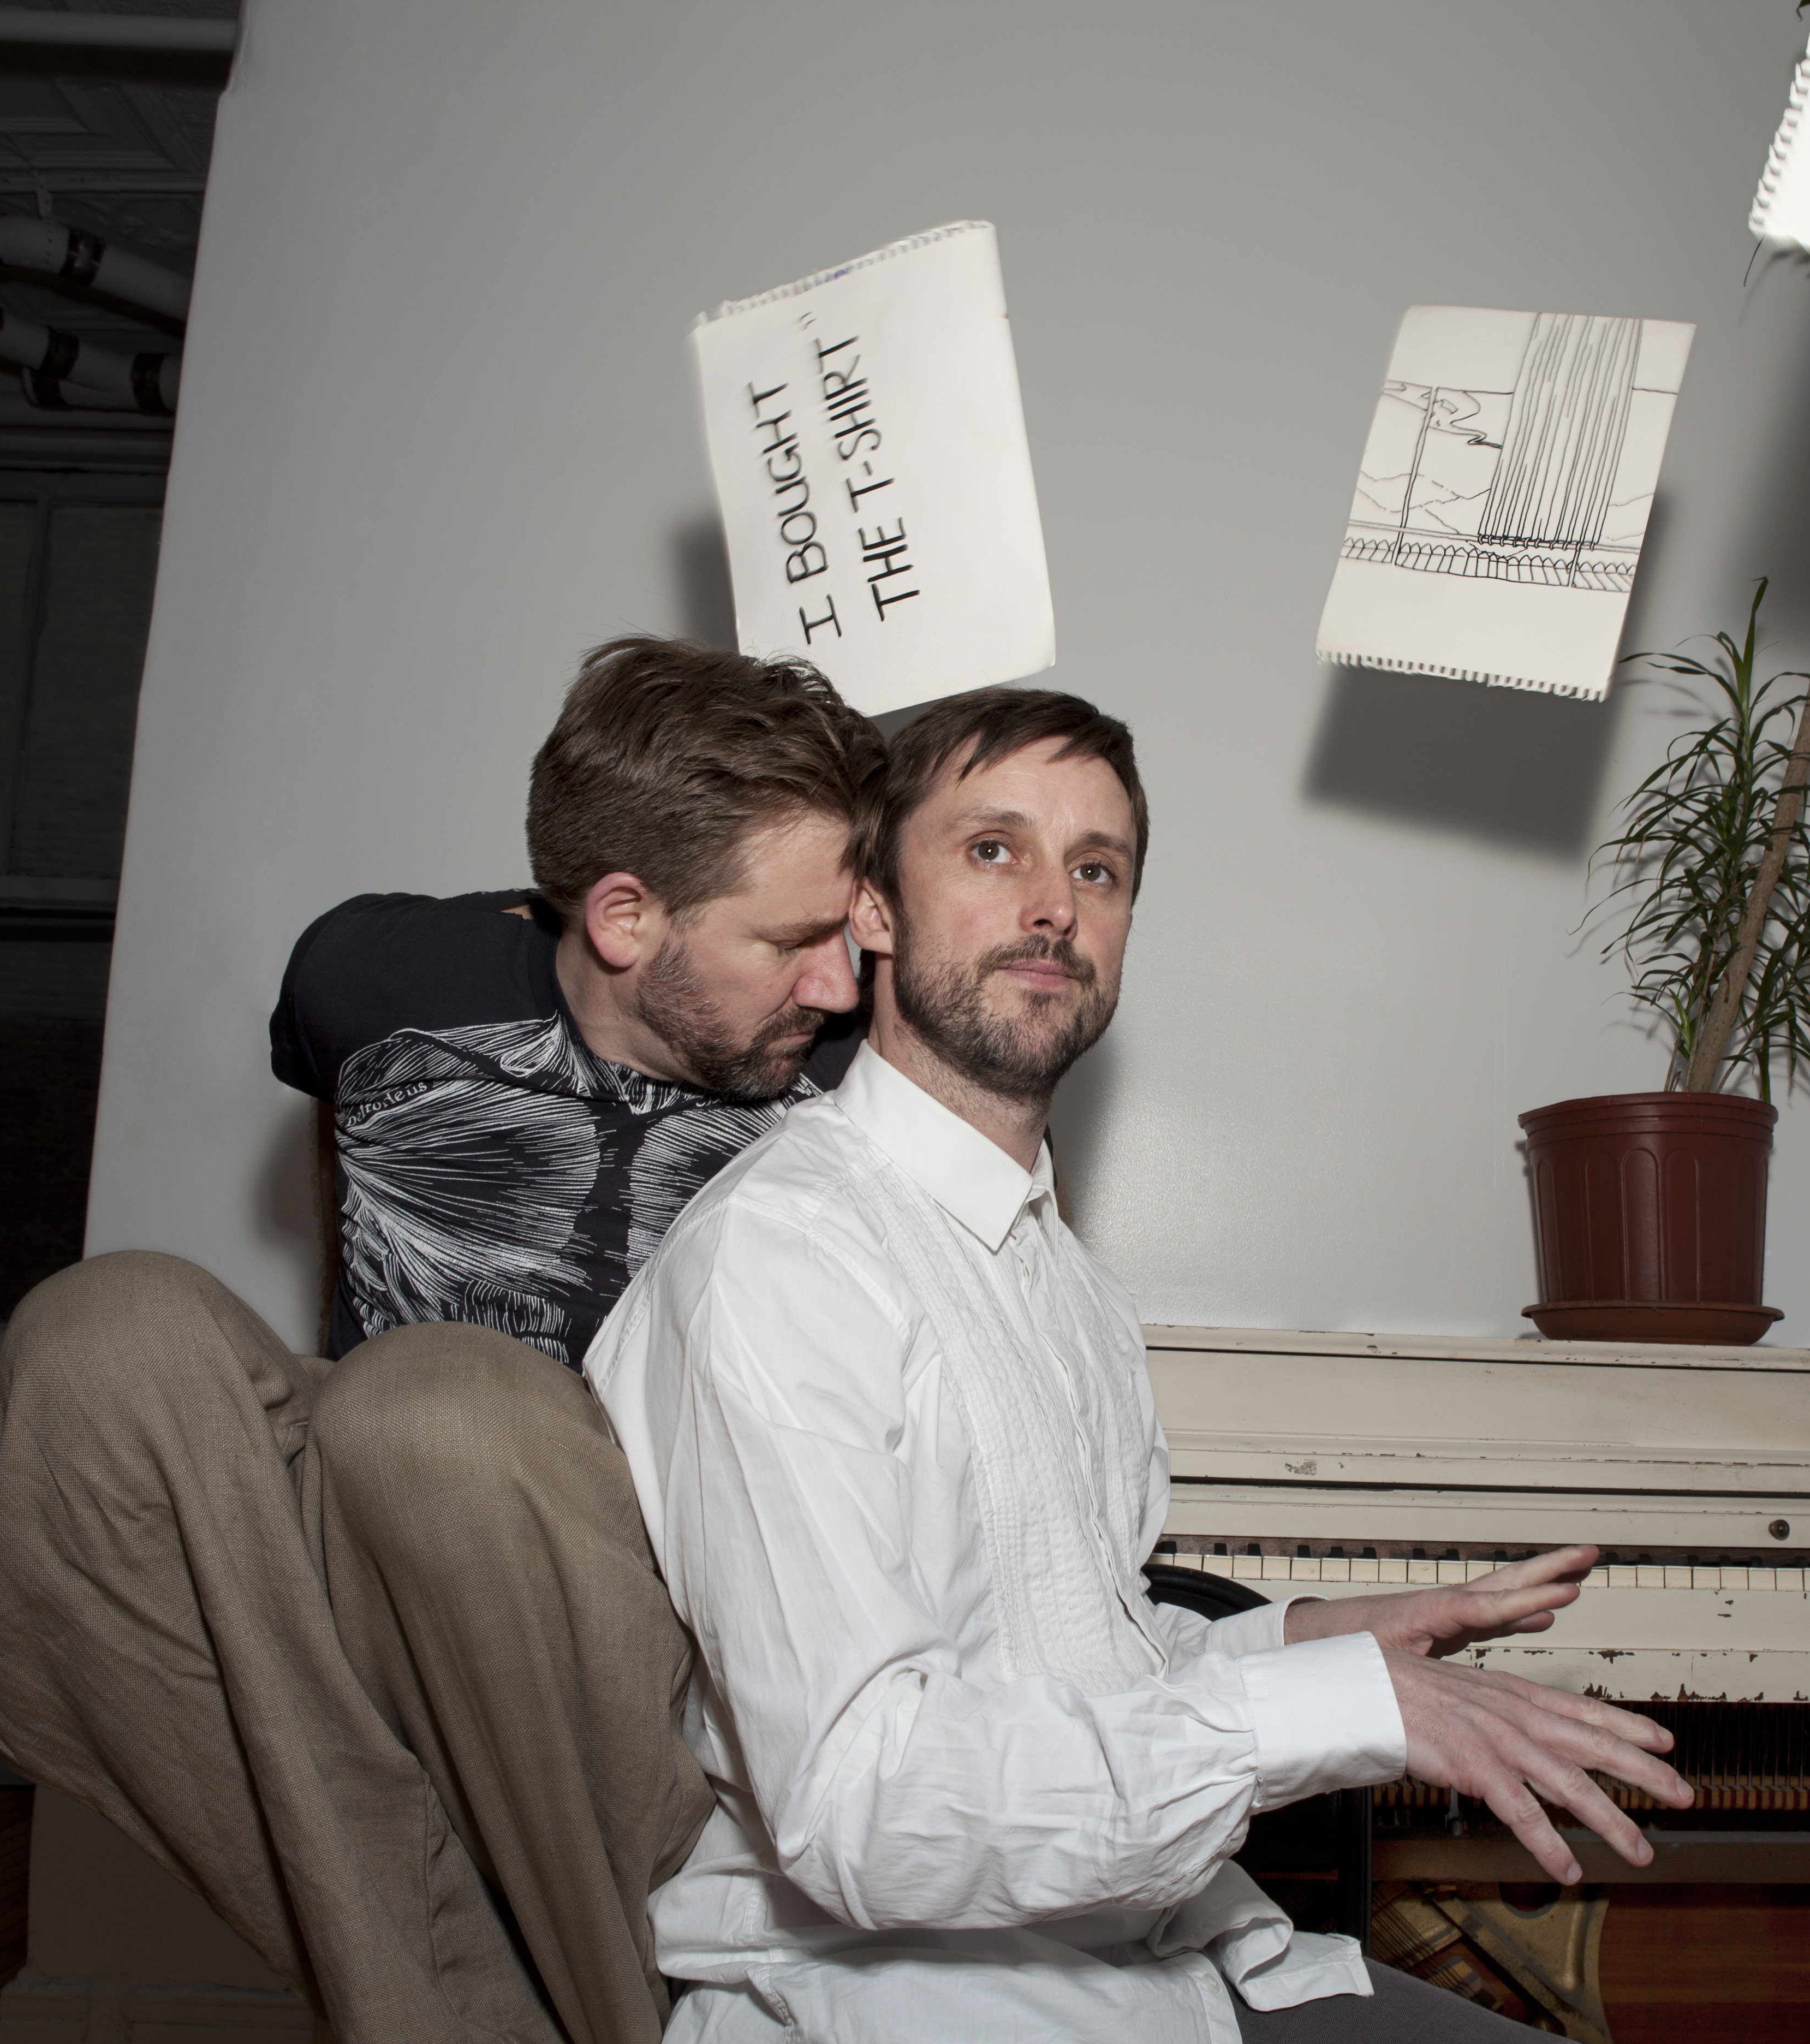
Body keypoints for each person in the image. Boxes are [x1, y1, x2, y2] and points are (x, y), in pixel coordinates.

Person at [586, 687, 1694, 2044]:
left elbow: (1062, 1659)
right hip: (922, 2006)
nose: (1055, 905)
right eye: (993, 851)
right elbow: (866, 1809)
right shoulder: (781, 1262)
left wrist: (1313, 1641)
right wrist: (1323, 1711)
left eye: (1096, 870)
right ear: (871, 907)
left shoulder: (1073, 1292)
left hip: (1172, 1964)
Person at [0, 638, 886, 2044]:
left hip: (624, 1620)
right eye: (792, 940)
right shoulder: (370, 971)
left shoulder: (869, 1076)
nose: (841, 981)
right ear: (626, 916)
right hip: (362, 1565)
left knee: (440, 1404)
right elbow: (354, 1152)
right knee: (103, 1331)